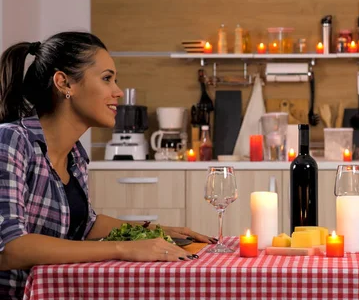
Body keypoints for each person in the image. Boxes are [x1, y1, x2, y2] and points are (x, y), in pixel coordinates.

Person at [0, 32, 216, 299]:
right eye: (106, 79)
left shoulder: (75, 155)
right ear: (64, 83)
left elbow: (85, 225)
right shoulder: (11, 141)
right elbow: (10, 248)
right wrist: (123, 248)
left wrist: (153, 231)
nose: (118, 91)